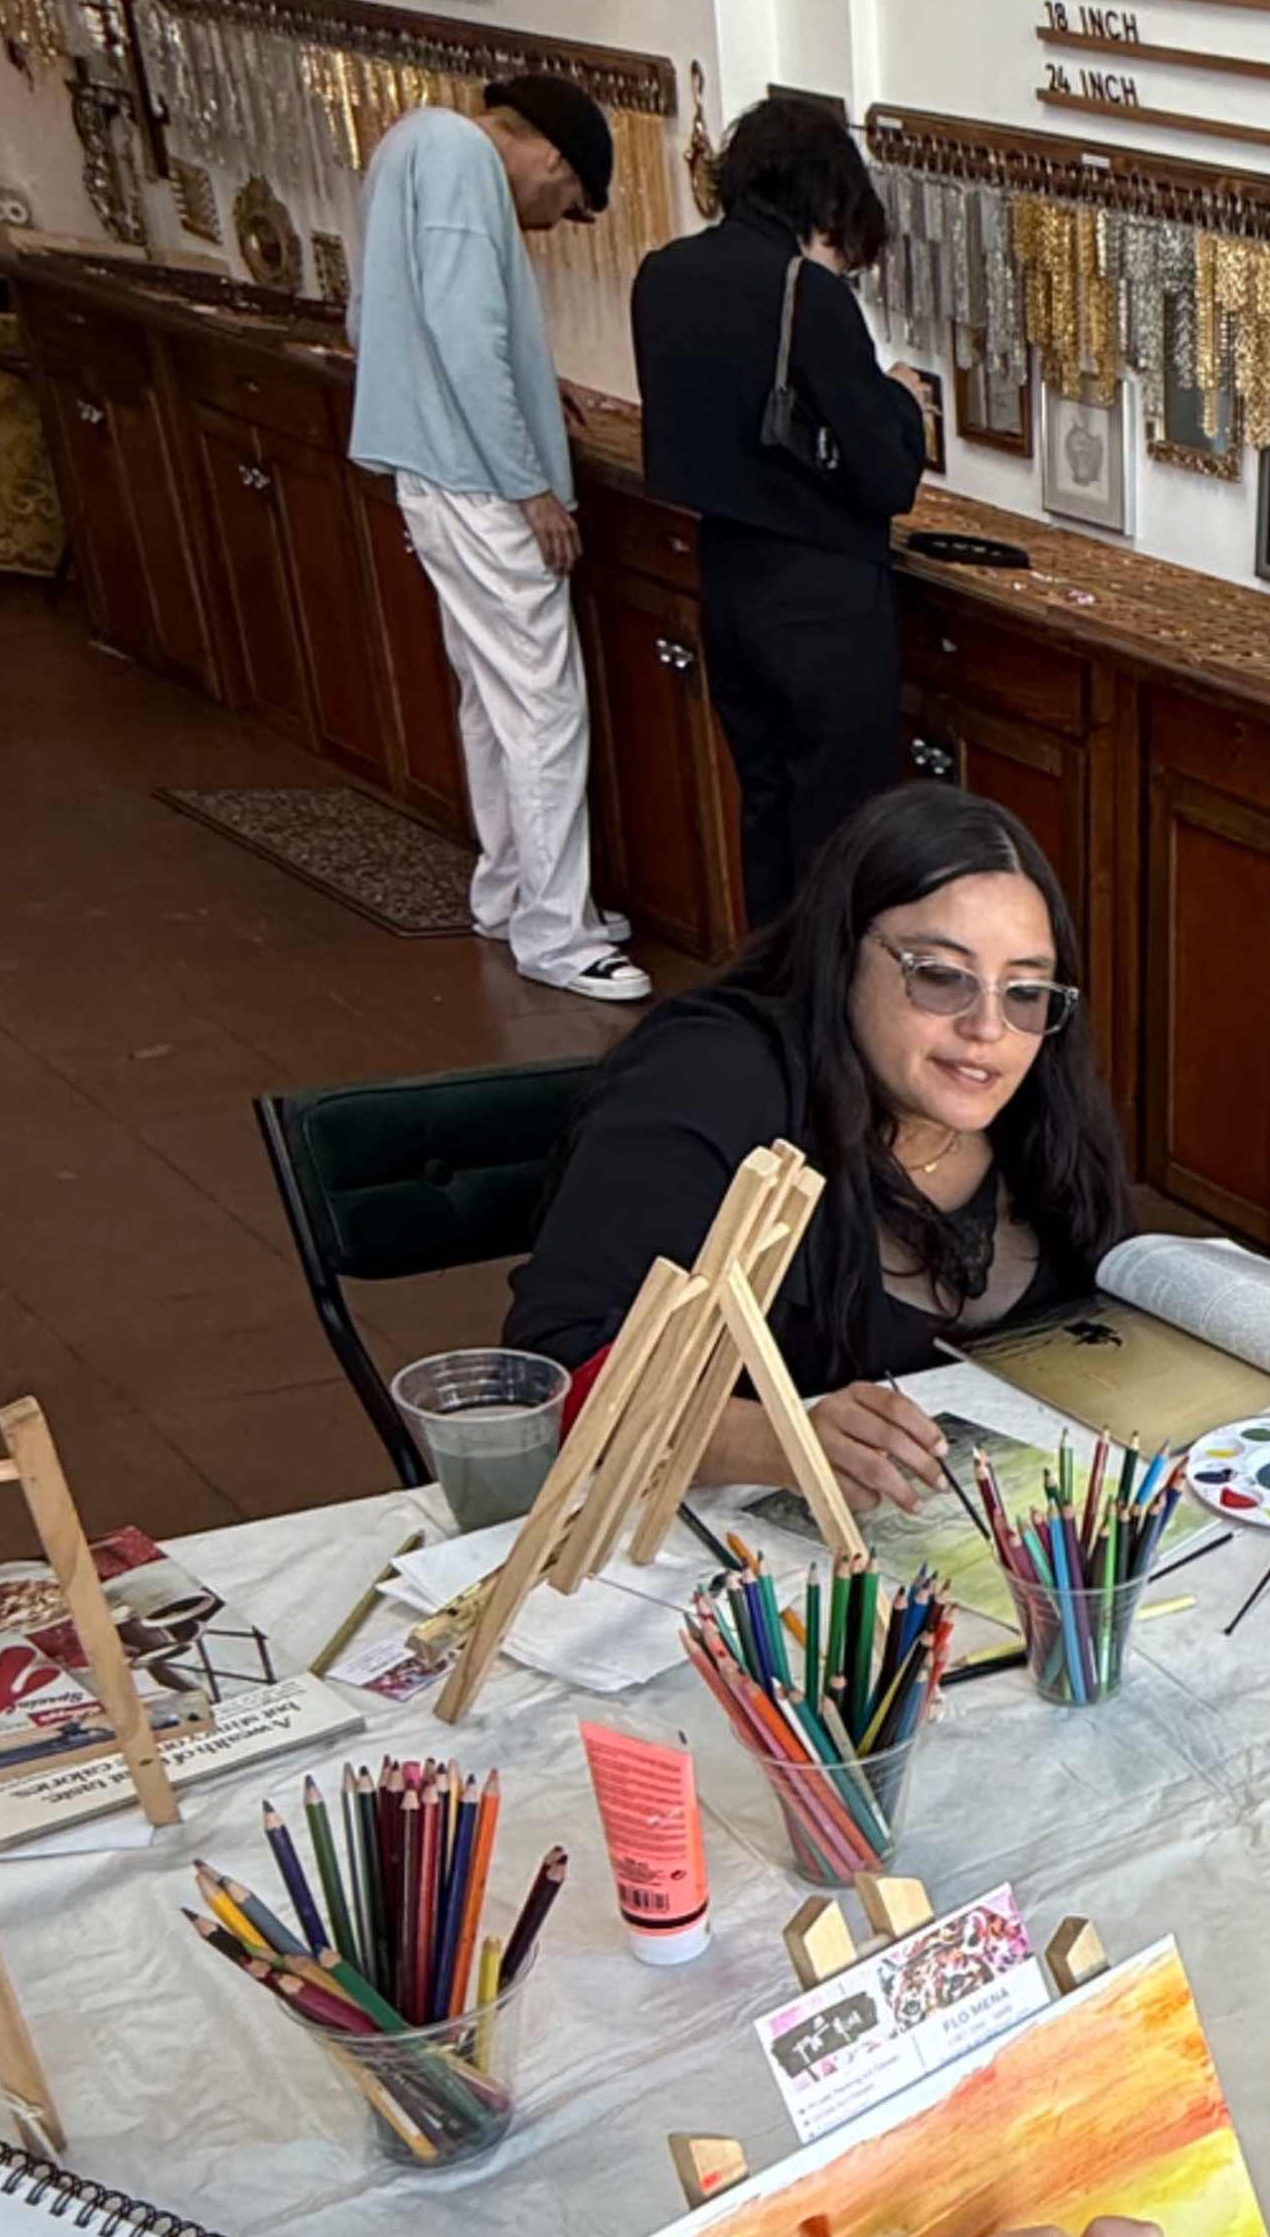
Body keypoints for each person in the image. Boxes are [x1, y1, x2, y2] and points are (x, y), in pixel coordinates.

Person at [506, 783, 1133, 1508]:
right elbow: (549, 1379)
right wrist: (777, 1437)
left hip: (1003, 1535)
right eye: (939, 976)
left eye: (1025, 990)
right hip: (719, 1556)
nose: (988, 1028)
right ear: (844, 951)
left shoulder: (1043, 1094)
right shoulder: (711, 1079)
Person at [346, 73, 645, 1004]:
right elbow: (467, 334)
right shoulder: (463, 156)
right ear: (552, 154)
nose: (549, 224)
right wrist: (530, 487)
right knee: (543, 710)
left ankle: (512, 893)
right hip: (479, 488)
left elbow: (384, 318)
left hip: (433, 470)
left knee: (490, 697)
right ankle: (559, 935)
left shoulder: (408, 143)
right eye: (567, 204)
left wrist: (526, 387)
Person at [630, 96, 932, 925]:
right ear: (829, 197)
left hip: (725, 576)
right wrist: (900, 402)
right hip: (822, 597)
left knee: (766, 808)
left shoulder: (665, 274)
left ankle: (767, 1006)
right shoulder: (808, 293)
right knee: (843, 830)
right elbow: (885, 477)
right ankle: (830, 1026)